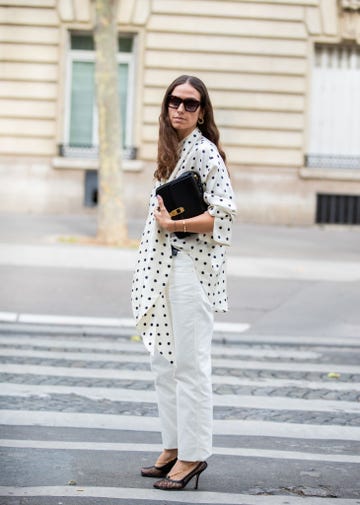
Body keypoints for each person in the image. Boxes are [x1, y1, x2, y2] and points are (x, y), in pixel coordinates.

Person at [131, 75, 236, 491]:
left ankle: (193, 455)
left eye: (189, 104)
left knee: (190, 365)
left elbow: (223, 215)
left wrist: (177, 222)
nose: (180, 108)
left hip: (190, 268)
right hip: (162, 268)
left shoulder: (206, 153)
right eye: (174, 101)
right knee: (164, 363)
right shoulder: (169, 151)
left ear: (202, 111)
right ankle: (173, 446)